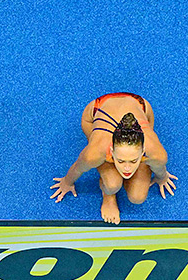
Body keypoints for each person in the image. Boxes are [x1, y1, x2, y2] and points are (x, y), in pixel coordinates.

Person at [50, 93, 175, 224]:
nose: (127, 168)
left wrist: (162, 177)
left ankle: (127, 163)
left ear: (143, 152)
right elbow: (77, 168)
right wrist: (67, 182)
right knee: (112, 184)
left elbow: (160, 169)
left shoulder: (156, 154)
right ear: (111, 151)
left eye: (133, 161)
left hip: (140, 105)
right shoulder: (96, 152)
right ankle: (108, 196)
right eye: (120, 161)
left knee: (137, 197)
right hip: (98, 109)